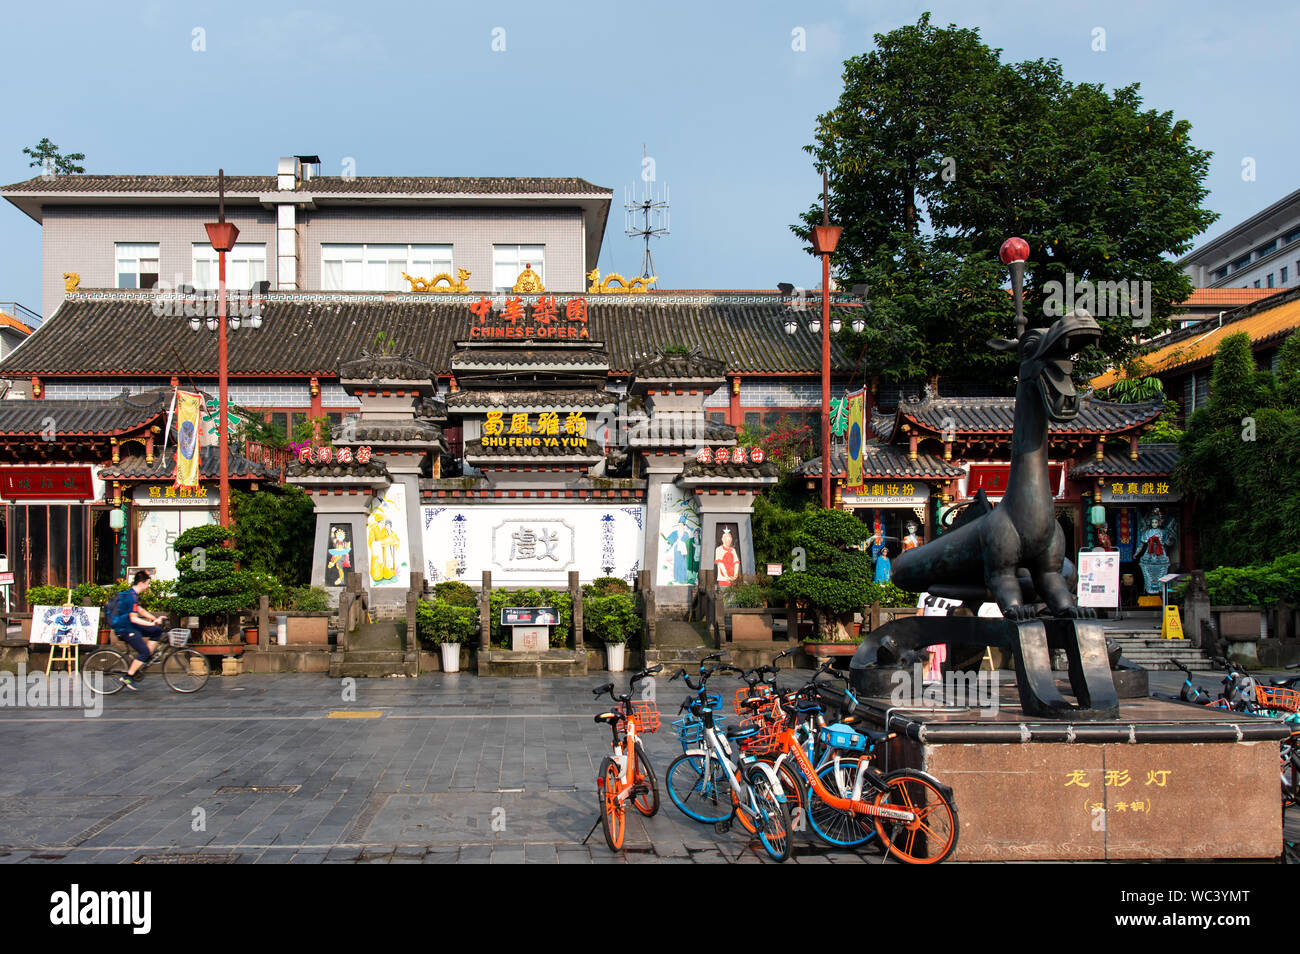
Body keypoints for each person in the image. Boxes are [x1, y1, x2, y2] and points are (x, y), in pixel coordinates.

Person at [113, 570, 167, 690]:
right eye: (147, 584)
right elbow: (134, 619)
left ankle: (145, 658)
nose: (148, 587)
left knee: (156, 631)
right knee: (144, 652)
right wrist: (151, 623)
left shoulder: (132, 594)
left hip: (130, 626)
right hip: (125, 629)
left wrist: (154, 619)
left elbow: (140, 610)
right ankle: (128, 676)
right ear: (142, 583)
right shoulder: (131, 597)